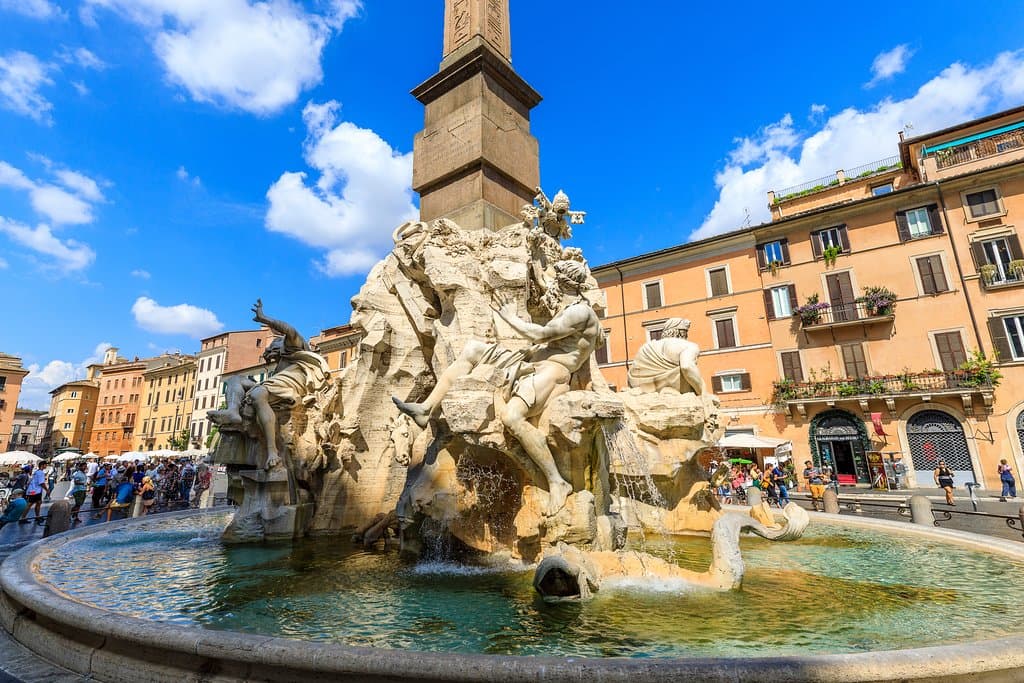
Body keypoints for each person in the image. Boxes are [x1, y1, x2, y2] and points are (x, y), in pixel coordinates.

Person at [394, 259, 602, 515]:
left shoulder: (580, 312)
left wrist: (510, 317)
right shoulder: (571, 308)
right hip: (529, 361)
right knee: (472, 350)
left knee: (512, 417)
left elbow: (540, 335)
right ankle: (426, 409)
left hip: (552, 370)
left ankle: (557, 481)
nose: (550, 286)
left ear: (563, 283)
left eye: (555, 280)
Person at [208, 299, 330, 471]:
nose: (270, 351)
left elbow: (289, 330)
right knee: (235, 379)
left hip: (295, 381)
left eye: (274, 346)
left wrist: (264, 318)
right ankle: (233, 411)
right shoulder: (279, 365)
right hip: (276, 384)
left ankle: (273, 452)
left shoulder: (293, 346)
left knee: (258, 393)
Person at [626, 317, 705, 395]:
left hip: (643, 390)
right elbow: (687, 367)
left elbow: (633, 373)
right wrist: (702, 392)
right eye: (686, 333)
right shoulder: (688, 345)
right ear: (682, 333)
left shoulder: (645, 347)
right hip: (679, 393)